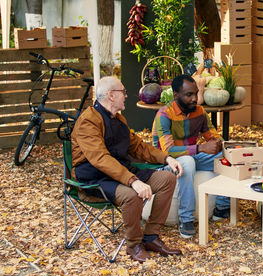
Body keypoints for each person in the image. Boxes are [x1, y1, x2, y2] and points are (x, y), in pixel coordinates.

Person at [71, 76, 184, 263]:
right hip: (95, 179)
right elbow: (100, 159)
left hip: (122, 172)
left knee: (167, 179)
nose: (126, 95)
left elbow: (138, 147)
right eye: (123, 92)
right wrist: (133, 181)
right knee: (132, 195)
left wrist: (167, 158)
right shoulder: (88, 121)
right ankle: (134, 245)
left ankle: (150, 237)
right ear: (111, 96)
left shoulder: (118, 118)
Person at [152, 74, 230, 239]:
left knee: (226, 155)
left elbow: (212, 136)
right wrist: (201, 148)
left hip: (191, 156)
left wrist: (221, 144)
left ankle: (222, 206)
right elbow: (168, 151)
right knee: (187, 162)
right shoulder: (164, 115)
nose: (195, 98)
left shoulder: (200, 111)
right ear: (176, 95)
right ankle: (185, 219)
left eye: (196, 93)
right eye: (189, 95)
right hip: (166, 163)